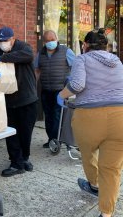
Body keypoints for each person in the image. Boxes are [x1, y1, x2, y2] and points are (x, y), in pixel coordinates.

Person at [57, 28, 123, 217]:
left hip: (90, 116)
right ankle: (107, 213)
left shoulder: (82, 59)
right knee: (111, 169)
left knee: (88, 153)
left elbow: (77, 85)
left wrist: (61, 94)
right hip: (120, 116)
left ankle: (94, 185)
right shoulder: (117, 61)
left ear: (85, 45)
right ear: (106, 47)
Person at [0, 26, 38, 177]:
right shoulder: (0, 52)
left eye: (5, 40)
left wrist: (1, 58)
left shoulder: (23, 47)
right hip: (9, 100)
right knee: (11, 133)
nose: (2, 43)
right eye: (0, 41)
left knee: (26, 132)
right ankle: (16, 163)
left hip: (27, 99)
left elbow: (27, 56)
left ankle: (24, 158)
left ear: (13, 38)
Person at [34, 30, 75, 148]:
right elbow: (37, 70)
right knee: (48, 116)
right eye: (47, 40)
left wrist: (71, 84)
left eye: (52, 40)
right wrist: (33, 85)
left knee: (57, 115)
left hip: (60, 91)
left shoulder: (66, 51)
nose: (50, 42)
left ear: (56, 39)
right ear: (44, 42)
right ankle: (51, 139)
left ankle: (58, 140)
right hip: (46, 90)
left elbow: (76, 67)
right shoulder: (40, 53)